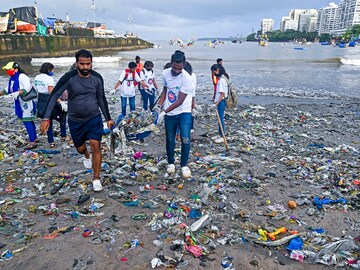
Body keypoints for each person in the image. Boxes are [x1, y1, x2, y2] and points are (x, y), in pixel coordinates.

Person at [40, 49, 114, 192]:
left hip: (93, 118)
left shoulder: (97, 78)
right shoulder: (69, 77)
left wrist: (108, 118)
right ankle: (86, 155)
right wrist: (45, 118)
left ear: (92, 63)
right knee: (80, 148)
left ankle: (96, 178)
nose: (85, 67)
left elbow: (101, 98)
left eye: (88, 64)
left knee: (95, 145)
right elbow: (54, 95)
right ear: (76, 63)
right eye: (82, 64)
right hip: (75, 120)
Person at [156, 51, 193, 179]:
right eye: (175, 68)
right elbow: (165, 90)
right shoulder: (165, 73)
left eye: (180, 68)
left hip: (184, 112)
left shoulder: (187, 78)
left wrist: (164, 111)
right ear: (171, 63)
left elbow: (180, 101)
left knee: (185, 138)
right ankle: (171, 163)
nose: (177, 71)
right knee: (170, 138)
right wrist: (159, 106)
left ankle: (184, 165)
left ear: (183, 65)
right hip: (169, 113)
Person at [0, 61, 38, 149]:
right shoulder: (12, 78)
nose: (8, 71)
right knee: (28, 120)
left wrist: (18, 92)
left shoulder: (22, 76)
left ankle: (32, 141)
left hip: (26, 102)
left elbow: (27, 87)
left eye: (9, 69)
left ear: (16, 69)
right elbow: (7, 90)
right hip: (19, 102)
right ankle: (34, 138)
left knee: (27, 120)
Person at [35, 62, 68, 148]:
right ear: (49, 70)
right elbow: (51, 93)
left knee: (47, 120)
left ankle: (51, 141)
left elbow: (36, 89)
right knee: (62, 116)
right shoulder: (49, 78)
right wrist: (60, 102)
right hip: (50, 100)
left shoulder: (37, 77)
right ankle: (63, 136)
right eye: (52, 70)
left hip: (41, 100)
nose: (53, 71)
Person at [210, 64, 228, 144]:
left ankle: (222, 136)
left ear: (217, 70)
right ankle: (220, 133)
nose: (213, 73)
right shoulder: (222, 78)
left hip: (221, 101)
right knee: (219, 118)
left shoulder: (221, 81)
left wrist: (216, 103)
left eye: (214, 71)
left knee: (220, 118)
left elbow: (222, 94)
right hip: (220, 101)